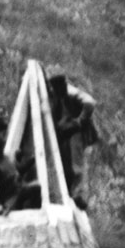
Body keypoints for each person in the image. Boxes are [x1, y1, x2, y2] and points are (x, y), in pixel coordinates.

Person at [46, 66, 99, 210]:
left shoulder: (71, 92)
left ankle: (78, 195)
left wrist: (79, 121)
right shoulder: (55, 94)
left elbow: (90, 103)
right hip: (65, 132)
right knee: (65, 163)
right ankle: (68, 193)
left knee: (76, 164)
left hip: (75, 132)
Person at [0, 133, 41, 215]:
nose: (2, 149)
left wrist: (30, 160)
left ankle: (34, 209)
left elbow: (19, 170)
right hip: (9, 195)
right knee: (11, 215)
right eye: (0, 147)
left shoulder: (5, 156)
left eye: (2, 146)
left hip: (20, 187)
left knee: (37, 187)